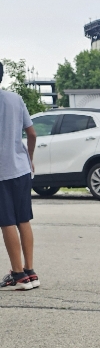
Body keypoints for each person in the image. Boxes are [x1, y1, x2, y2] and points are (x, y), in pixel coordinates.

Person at [0, 63, 39, 289]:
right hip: (21, 168)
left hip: (2, 172)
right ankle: (30, 271)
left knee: (6, 222)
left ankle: (17, 274)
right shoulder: (15, 99)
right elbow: (31, 133)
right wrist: (29, 158)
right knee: (23, 219)